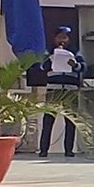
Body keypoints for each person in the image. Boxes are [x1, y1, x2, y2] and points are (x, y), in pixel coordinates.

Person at [39, 26, 83, 158]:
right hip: (54, 89)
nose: (62, 40)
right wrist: (52, 59)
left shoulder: (75, 52)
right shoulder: (49, 52)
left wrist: (75, 65)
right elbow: (42, 67)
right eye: (60, 37)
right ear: (55, 39)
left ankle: (69, 150)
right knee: (48, 120)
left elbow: (83, 67)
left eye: (65, 37)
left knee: (70, 121)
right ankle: (43, 150)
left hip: (70, 90)